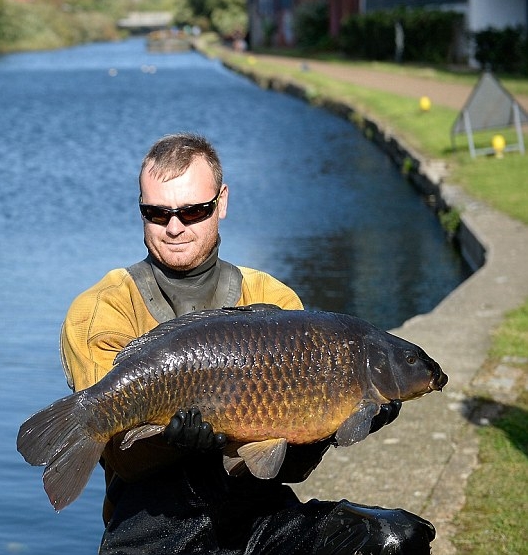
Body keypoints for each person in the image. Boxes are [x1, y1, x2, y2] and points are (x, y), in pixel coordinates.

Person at [58, 132, 436, 554]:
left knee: (396, 541)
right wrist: (172, 440)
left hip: (257, 511)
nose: (175, 227)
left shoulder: (273, 299)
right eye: (157, 213)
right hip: (154, 525)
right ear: (141, 211)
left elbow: (287, 467)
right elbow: (119, 455)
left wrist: (333, 426)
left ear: (221, 203)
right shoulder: (100, 310)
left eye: (193, 210)